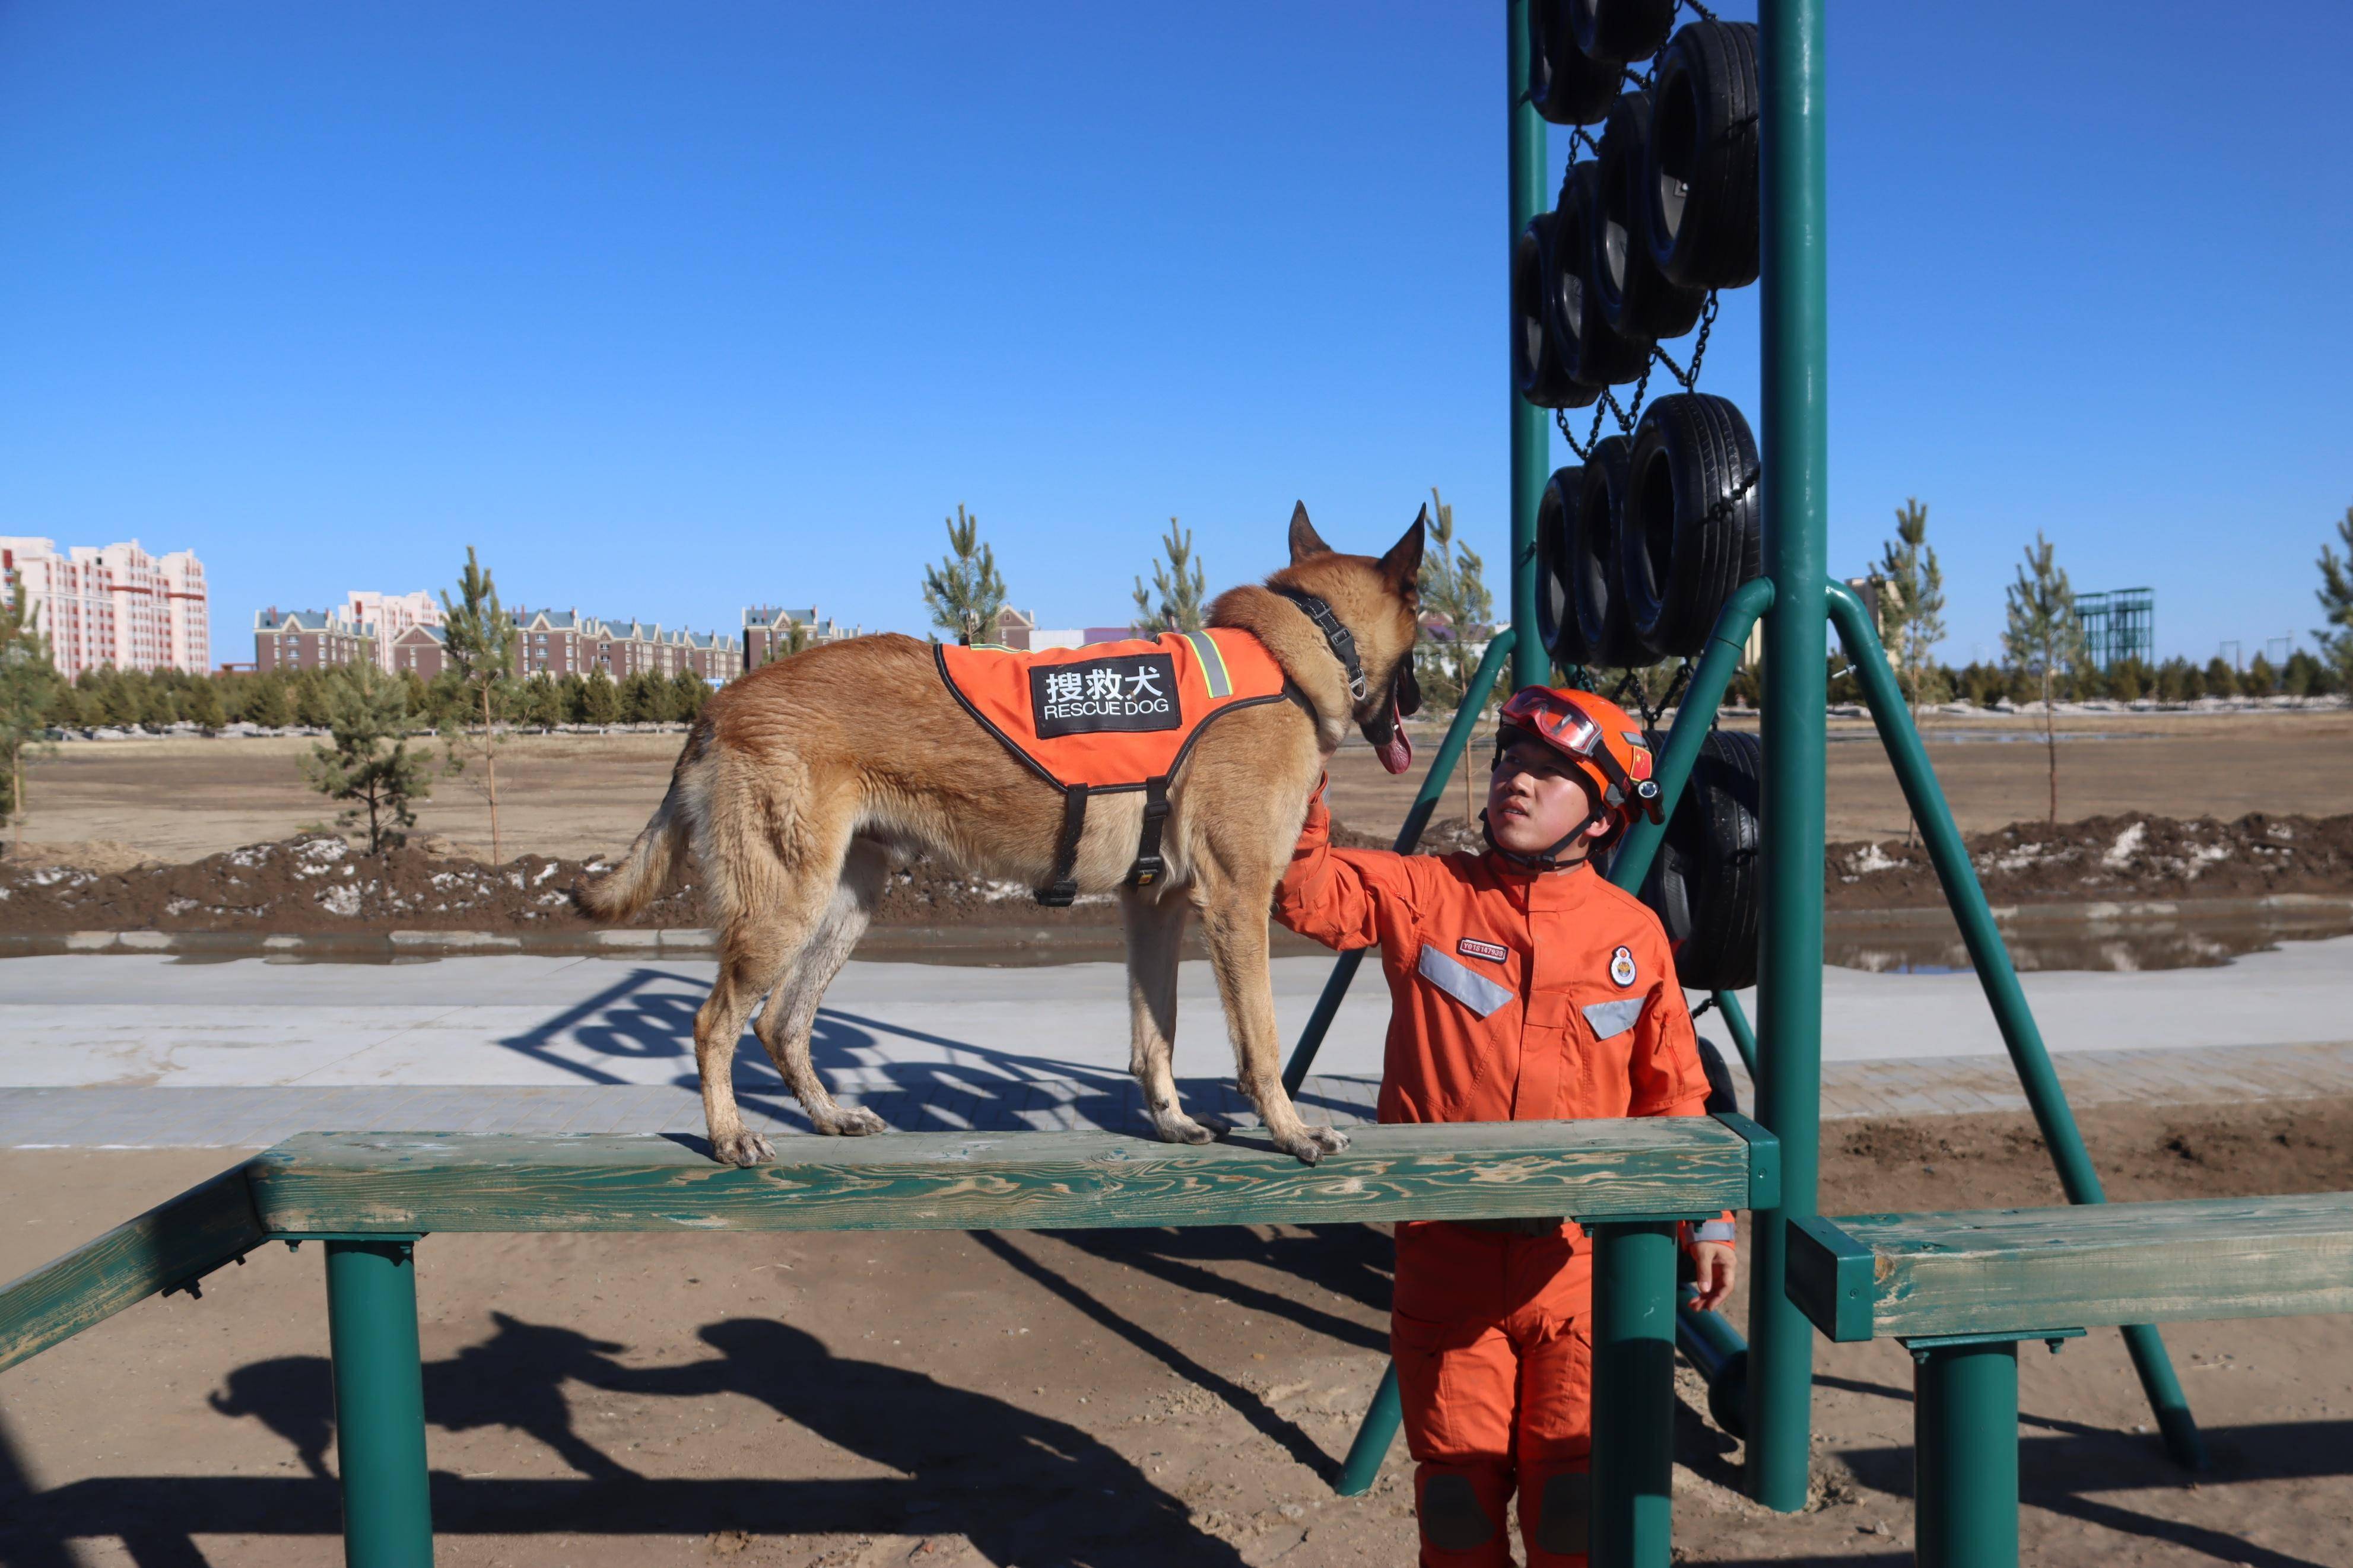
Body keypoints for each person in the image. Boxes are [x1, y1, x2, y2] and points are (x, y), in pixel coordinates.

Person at [1273, 685, 1736, 1567]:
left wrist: (1708, 1219)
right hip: (1446, 1259)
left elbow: (1672, 1095)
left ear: (1601, 819)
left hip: (1578, 1270)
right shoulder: (1425, 895)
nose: (1516, 784)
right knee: (1455, 1497)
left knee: (1573, 1501)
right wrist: (1299, 775)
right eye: (1511, 764)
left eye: (1554, 774)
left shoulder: (1630, 933)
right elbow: (1307, 893)